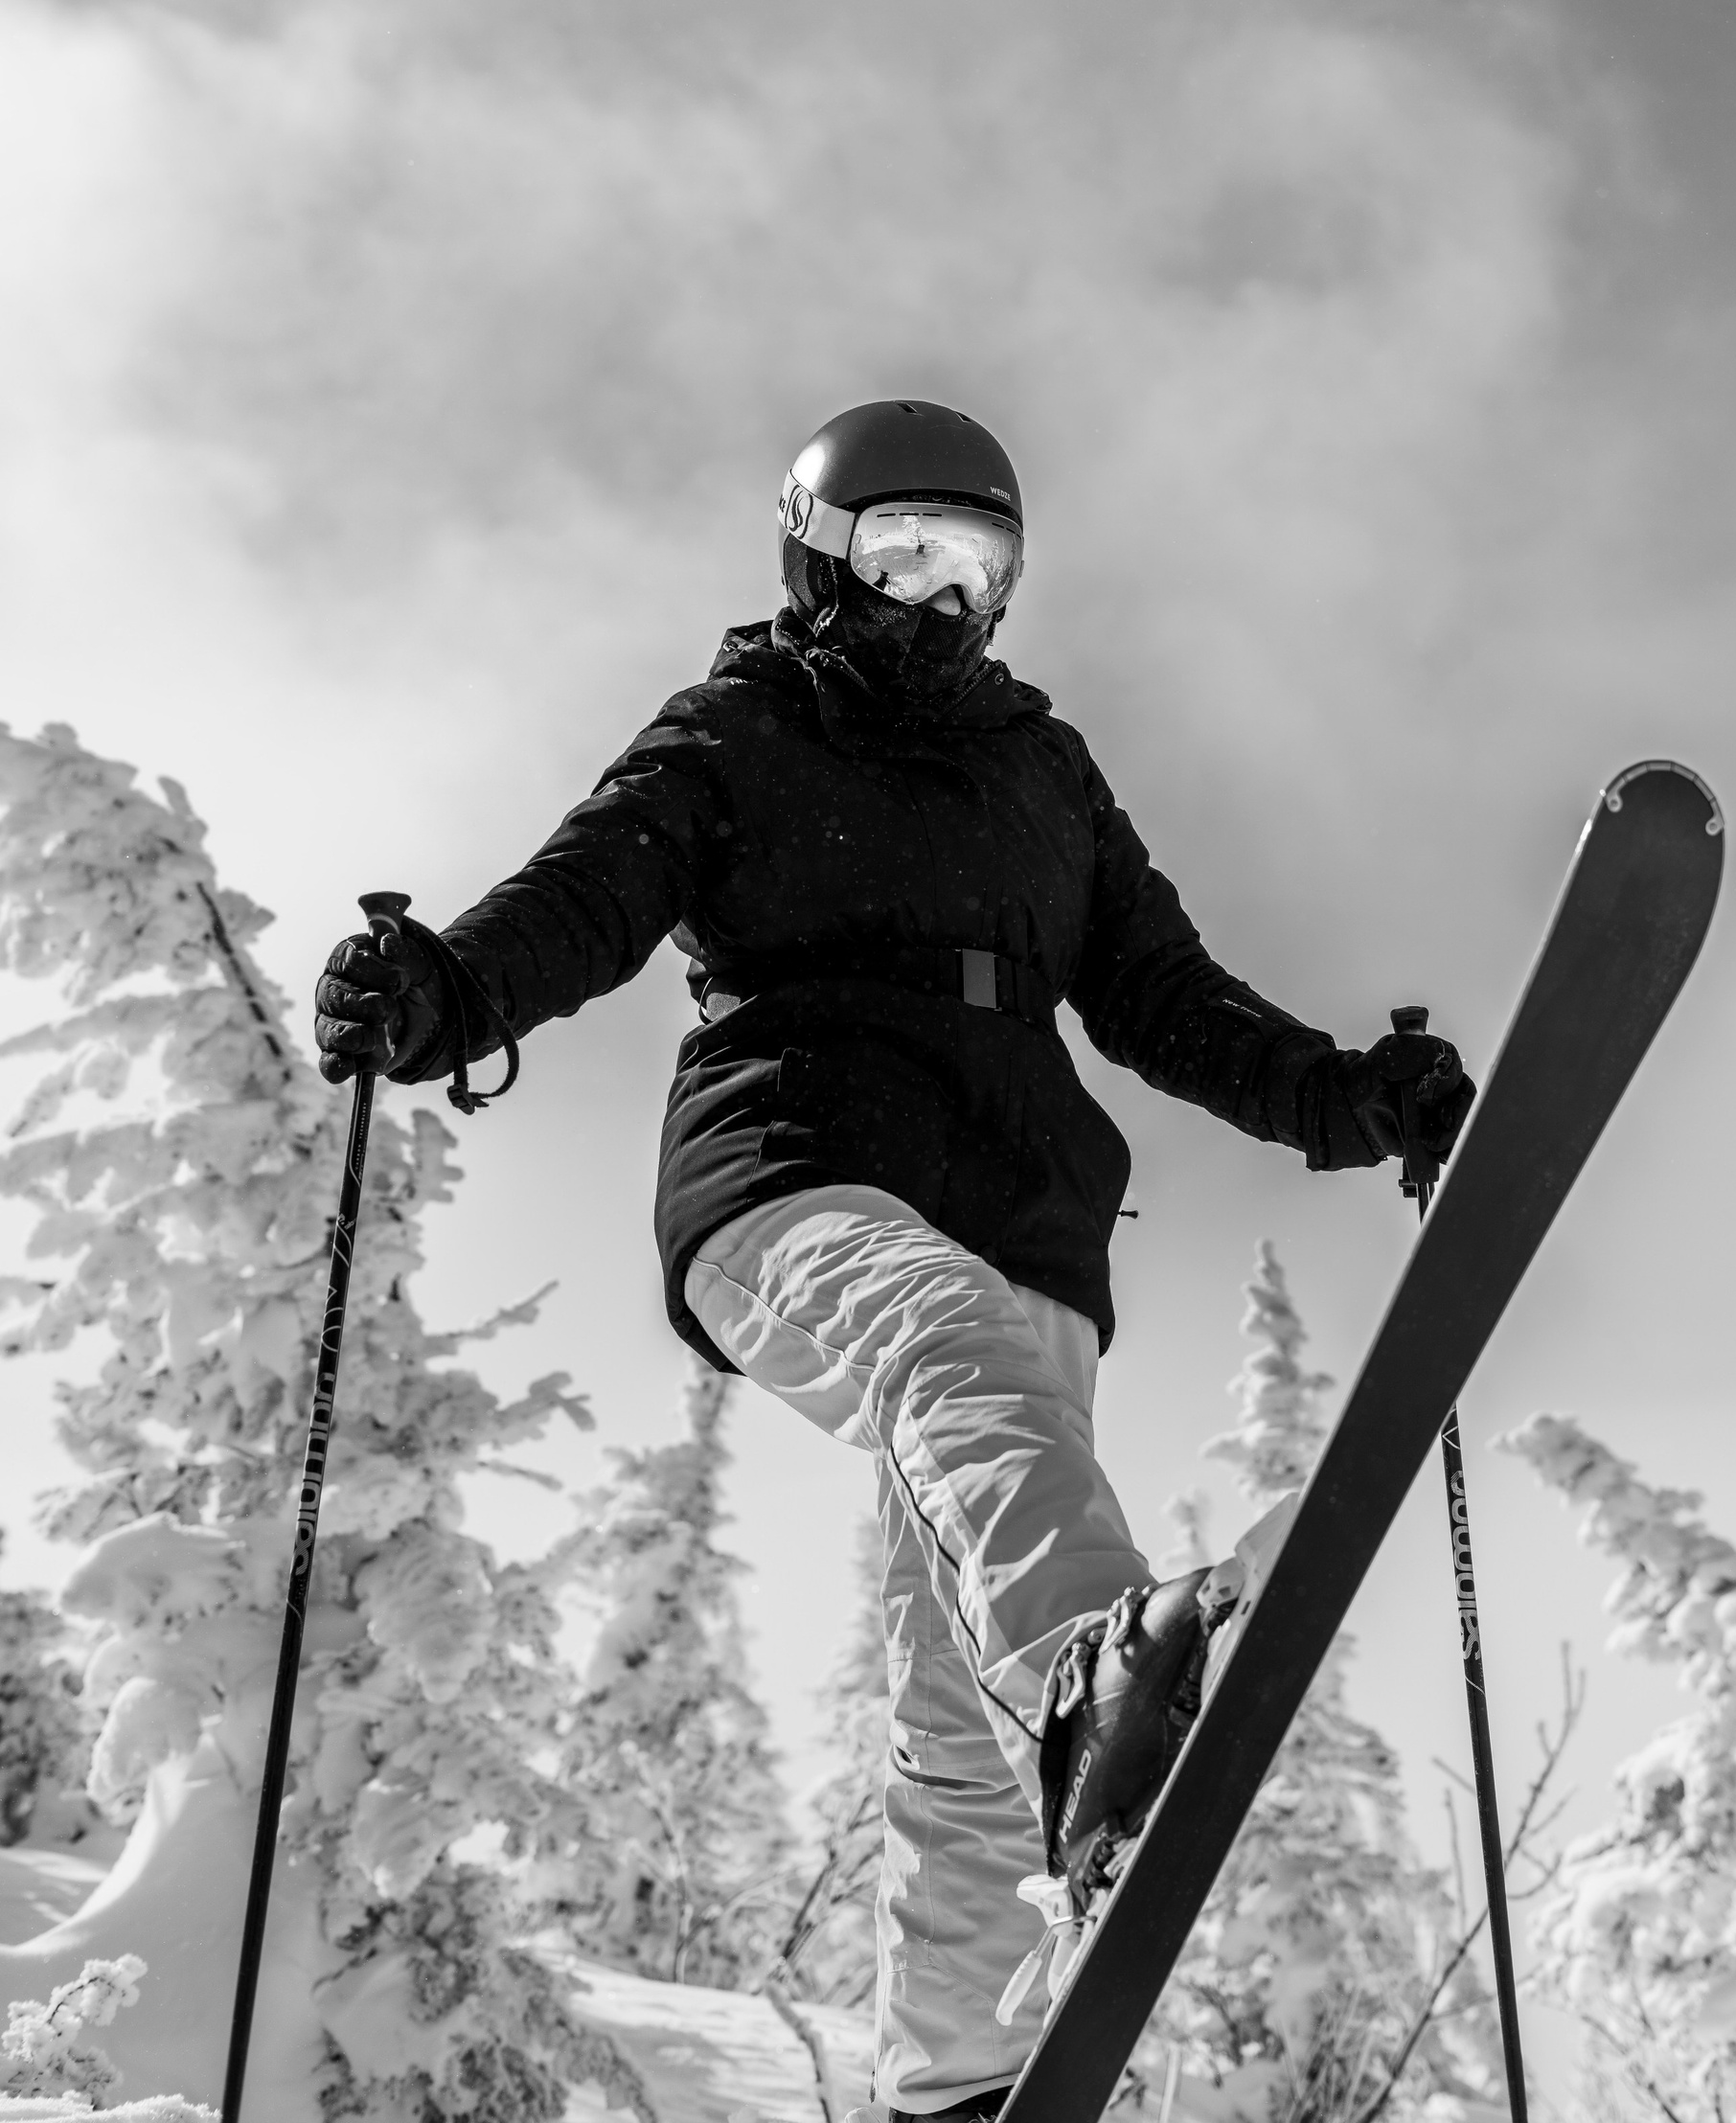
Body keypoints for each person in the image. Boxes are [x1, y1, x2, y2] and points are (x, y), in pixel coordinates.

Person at [315, 398, 1473, 2121]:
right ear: (817, 554)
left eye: (976, 567)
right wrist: (440, 995)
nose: (940, 600)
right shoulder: (740, 729)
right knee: (945, 1352)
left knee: (956, 1695)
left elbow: (1162, 993)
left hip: (1022, 1213)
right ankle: (1088, 1656)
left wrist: (1344, 1098)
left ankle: (958, 2078)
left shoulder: (1042, 770)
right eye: (904, 553)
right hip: (798, 1166)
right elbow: (581, 900)